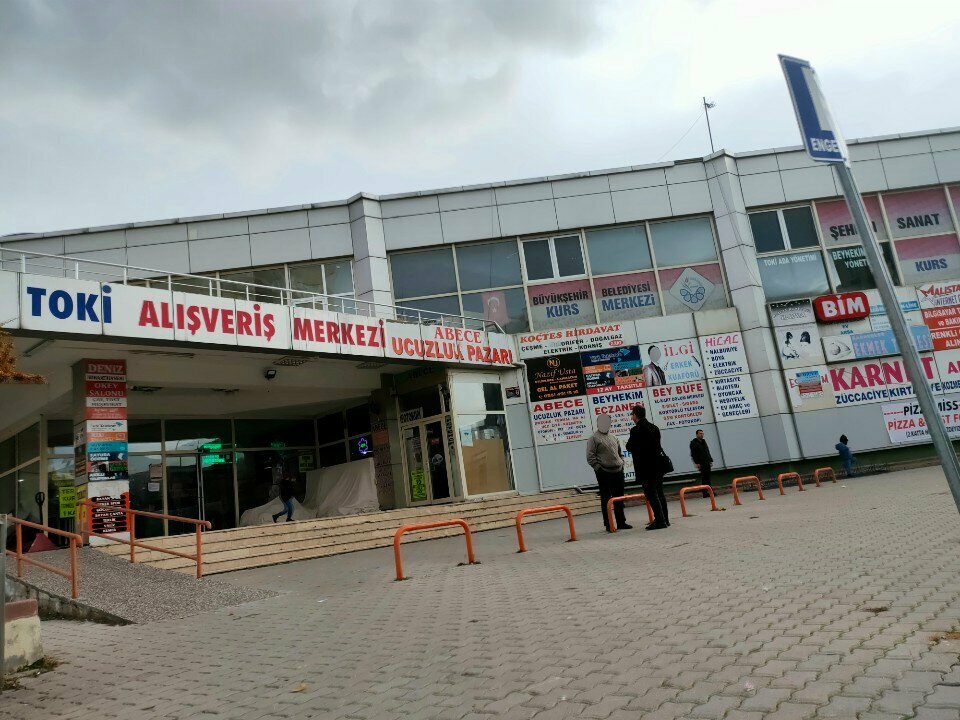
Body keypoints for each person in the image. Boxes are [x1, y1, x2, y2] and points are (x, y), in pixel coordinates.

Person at [626, 405, 669, 530]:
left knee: (651, 493)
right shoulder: (654, 428)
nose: (631, 417)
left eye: (632, 414)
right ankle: (665, 519)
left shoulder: (635, 430)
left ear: (635, 415)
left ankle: (660, 521)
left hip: (645, 467)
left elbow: (629, 447)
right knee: (659, 492)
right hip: (657, 466)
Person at [586, 414, 631, 531]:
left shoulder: (614, 437)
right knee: (606, 498)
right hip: (604, 472)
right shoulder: (593, 438)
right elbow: (590, 456)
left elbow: (620, 453)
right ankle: (608, 524)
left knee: (619, 498)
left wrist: (621, 464)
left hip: (618, 471)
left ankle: (621, 522)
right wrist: (598, 469)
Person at [689, 429, 714, 498]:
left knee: (708, 478)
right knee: (704, 478)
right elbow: (693, 454)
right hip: (701, 463)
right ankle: (705, 493)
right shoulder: (693, 443)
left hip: (707, 462)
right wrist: (697, 463)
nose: (702, 435)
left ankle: (710, 491)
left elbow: (707, 451)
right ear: (696, 434)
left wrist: (710, 460)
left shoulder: (703, 441)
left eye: (702, 433)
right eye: (700, 433)